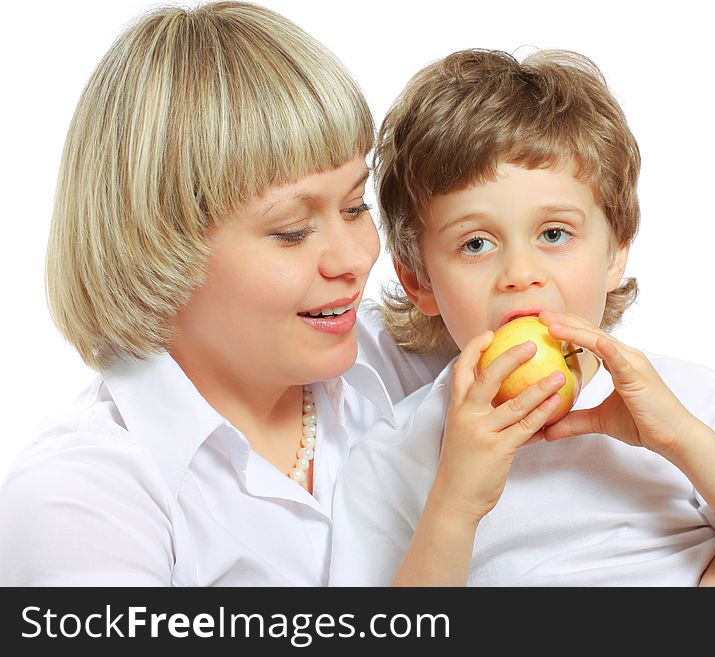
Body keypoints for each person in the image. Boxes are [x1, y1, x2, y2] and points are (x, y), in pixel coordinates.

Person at [329, 48, 715, 586]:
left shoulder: (695, 406)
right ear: (419, 281)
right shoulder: (392, 459)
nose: (521, 272)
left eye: (554, 234)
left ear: (615, 251)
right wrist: (455, 504)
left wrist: (681, 441)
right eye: (475, 244)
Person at [0, 1, 448, 586]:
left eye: (355, 206)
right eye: (292, 231)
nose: (357, 258)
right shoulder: (81, 499)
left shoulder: (416, 364)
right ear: (158, 243)